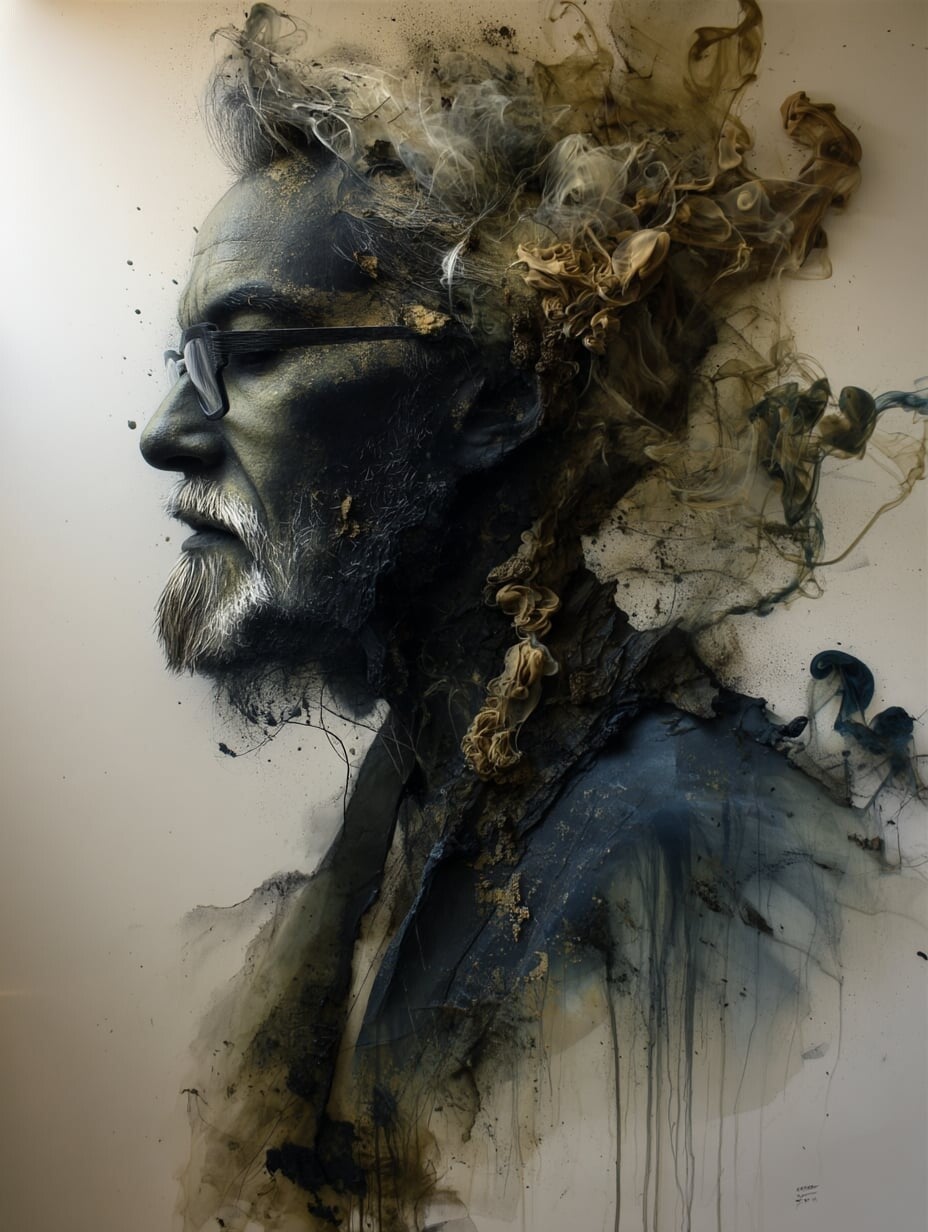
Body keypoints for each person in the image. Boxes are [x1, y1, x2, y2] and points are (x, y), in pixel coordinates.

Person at [141, 5, 924, 1229]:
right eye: (181, 365)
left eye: (243, 352)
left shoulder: (702, 854)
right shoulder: (401, 820)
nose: (165, 434)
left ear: (495, 400)